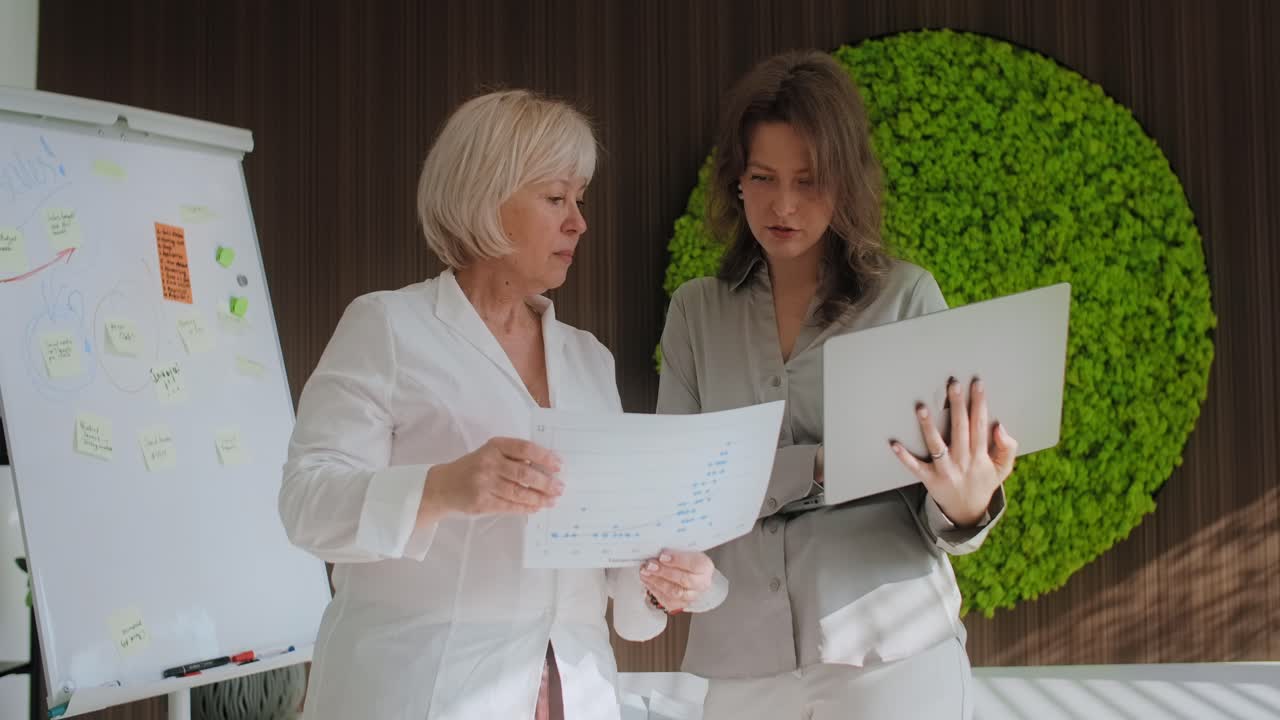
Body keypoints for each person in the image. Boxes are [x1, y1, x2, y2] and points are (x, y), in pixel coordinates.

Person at [280, 89, 726, 720]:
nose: (578, 222)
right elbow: (306, 506)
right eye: (555, 199)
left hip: (575, 693)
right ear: (485, 197)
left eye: (580, 201)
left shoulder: (588, 361)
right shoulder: (388, 326)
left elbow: (609, 569)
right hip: (420, 691)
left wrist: (658, 581)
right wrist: (442, 488)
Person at [657, 51, 1018, 719]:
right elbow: (686, 490)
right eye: (762, 177)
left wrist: (967, 504)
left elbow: (938, 503)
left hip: (894, 651)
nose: (784, 204)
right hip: (742, 662)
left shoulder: (905, 298)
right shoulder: (696, 312)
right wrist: (829, 464)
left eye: (809, 180)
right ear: (736, 181)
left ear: (846, 182)